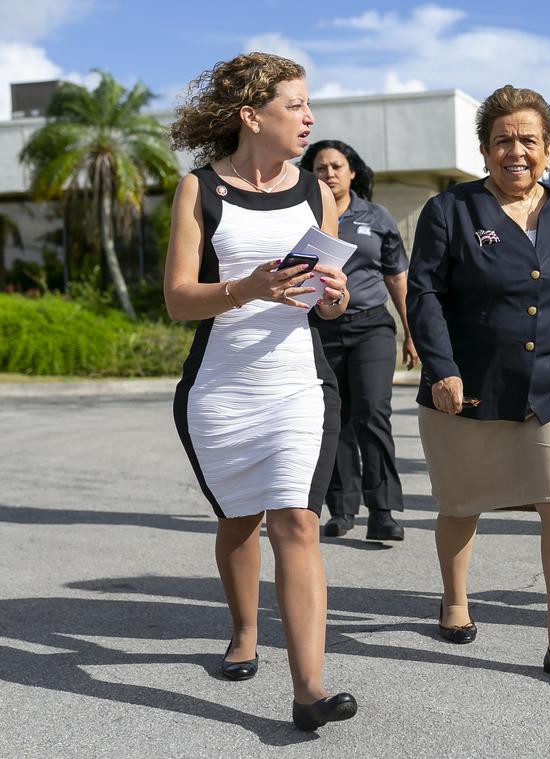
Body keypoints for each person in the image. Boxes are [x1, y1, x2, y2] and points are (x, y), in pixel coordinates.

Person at [165, 52, 357, 731]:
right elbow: (178, 299)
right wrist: (245, 287)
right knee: (239, 520)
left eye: (309, 106)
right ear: (253, 116)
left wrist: (333, 297)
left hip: (298, 386)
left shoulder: (317, 192)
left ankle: (309, 690)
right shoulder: (201, 191)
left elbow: (326, 306)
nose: (309, 119)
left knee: (296, 521)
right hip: (219, 389)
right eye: (295, 106)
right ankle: (244, 630)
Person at [407, 84, 550, 689]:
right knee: (460, 503)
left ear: (549, 148)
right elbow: (425, 294)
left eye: (528, 139)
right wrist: (441, 367)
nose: (515, 151)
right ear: (483, 150)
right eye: (502, 140)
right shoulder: (451, 210)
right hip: (469, 385)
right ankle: (454, 598)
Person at [299, 140, 418, 543]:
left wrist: (410, 330)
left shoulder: (377, 216)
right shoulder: (302, 215)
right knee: (334, 420)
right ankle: (342, 509)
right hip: (321, 329)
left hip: (371, 327)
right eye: (320, 167)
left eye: (337, 166)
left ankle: (382, 510)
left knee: (372, 413)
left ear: (352, 172)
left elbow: (397, 277)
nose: (329, 173)